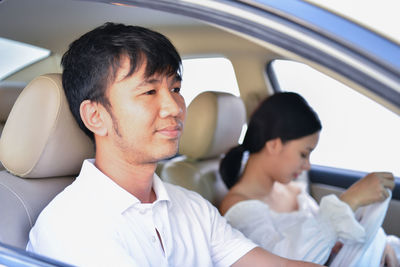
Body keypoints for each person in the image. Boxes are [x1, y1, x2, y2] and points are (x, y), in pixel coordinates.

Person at [26, 23, 321, 267]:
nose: (175, 106)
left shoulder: (191, 206)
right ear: (95, 116)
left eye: (176, 89)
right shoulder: (71, 225)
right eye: (150, 91)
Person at [219, 92, 399, 266]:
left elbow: (328, 235)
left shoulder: (292, 189)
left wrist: (383, 245)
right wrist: (349, 201)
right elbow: (282, 262)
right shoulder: (238, 207)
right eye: (304, 154)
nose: (308, 165)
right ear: (274, 145)